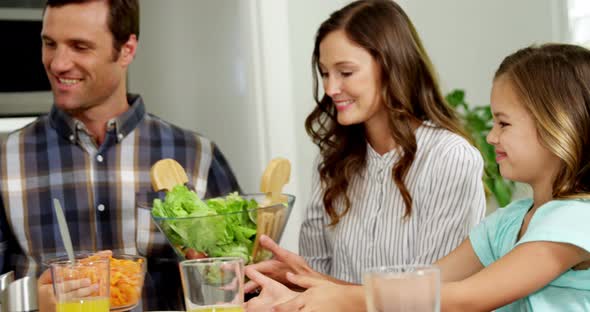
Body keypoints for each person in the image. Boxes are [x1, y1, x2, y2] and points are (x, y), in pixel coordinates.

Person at [247, 43, 590, 311]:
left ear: (556, 127)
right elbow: (420, 290)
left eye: (504, 123)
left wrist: (342, 301)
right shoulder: (508, 223)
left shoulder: (576, 221)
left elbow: (467, 299)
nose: (491, 136)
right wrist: (310, 285)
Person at [0, 0, 241, 311]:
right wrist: (29, 301)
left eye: (80, 47)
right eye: (50, 44)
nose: (58, 63)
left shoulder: (196, 157)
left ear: (127, 50)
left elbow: (244, 284)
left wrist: (215, 271)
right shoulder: (6, 161)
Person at [244, 0, 486, 297]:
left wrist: (319, 286)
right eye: (324, 73)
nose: (331, 88)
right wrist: (288, 279)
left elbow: (428, 295)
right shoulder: (332, 161)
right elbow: (314, 287)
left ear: (392, 67)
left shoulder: (451, 158)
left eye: (345, 73)